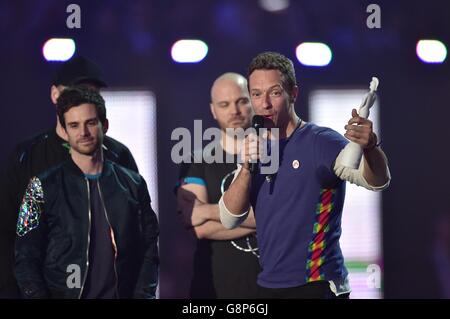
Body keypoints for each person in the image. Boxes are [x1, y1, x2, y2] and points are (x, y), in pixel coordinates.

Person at [219, 52, 391, 298]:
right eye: (256, 94)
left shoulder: (320, 142)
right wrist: (246, 168)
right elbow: (229, 218)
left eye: (275, 93)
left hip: (317, 284)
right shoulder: (254, 146)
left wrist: (371, 148)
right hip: (269, 285)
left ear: (293, 94)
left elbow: (376, 181)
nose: (264, 103)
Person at [0, 56, 139, 298]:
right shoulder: (27, 157)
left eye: (92, 93)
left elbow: (138, 236)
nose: (84, 99)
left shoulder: (118, 155)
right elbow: (8, 234)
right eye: (77, 92)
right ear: (55, 95)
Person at [14, 86, 159, 299]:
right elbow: (25, 257)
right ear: (64, 131)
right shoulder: (40, 187)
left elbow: (149, 249)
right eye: (74, 125)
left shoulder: (133, 184)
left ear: (104, 125)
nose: (83, 133)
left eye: (90, 123)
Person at [176, 73, 261, 298]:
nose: (234, 111)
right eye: (224, 104)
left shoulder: (276, 158)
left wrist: (205, 211)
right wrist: (262, 221)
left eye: (241, 101)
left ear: (253, 102)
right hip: (214, 289)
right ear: (213, 110)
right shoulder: (196, 161)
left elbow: (282, 217)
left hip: (270, 288)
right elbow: (200, 229)